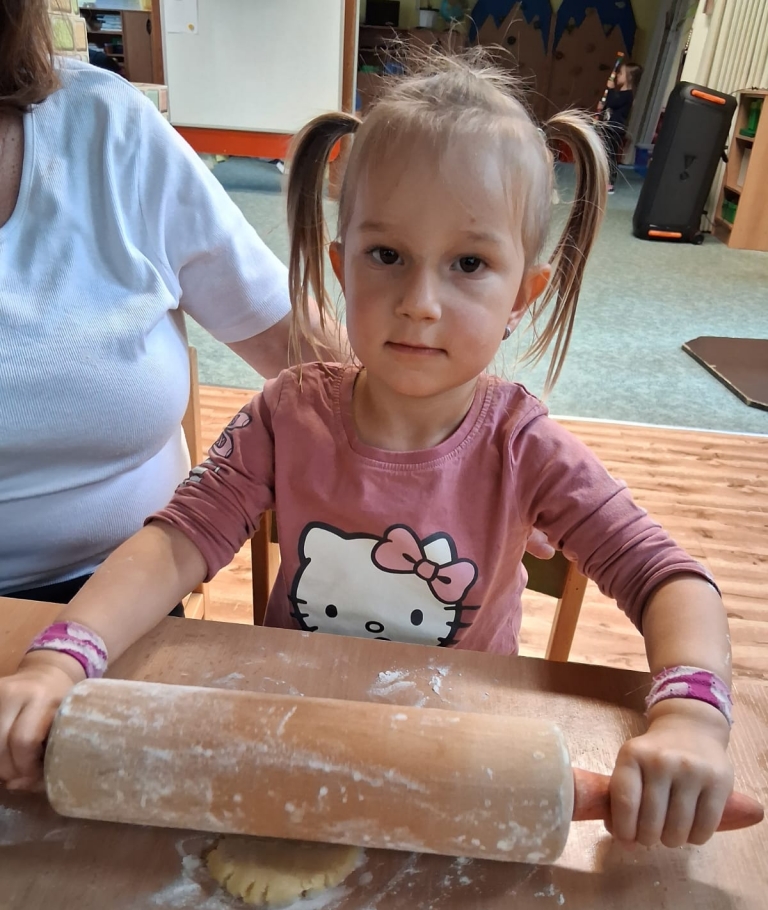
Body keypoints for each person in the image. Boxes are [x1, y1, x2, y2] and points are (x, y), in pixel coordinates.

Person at [0, 53, 734, 855]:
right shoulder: (287, 415)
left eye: (469, 265)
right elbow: (176, 543)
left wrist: (690, 716)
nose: (420, 303)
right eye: (387, 256)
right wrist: (61, 658)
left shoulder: (524, 448)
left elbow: (668, 578)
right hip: (291, 736)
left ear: (523, 295)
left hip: (459, 759)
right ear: (341, 266)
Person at [0, 0, 339, 608]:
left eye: (469, 265)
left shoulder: (105, 125)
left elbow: (301, 347)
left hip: (128, 582)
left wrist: (442, 437)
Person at [599, 62, 642, 193]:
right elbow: (610, 106)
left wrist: (610, 89)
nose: (617, 75)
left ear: (629, 77)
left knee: (611, 155)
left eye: (621, 73)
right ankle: (603, 178)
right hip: (608, 127)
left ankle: (610, 182)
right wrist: (602, 108)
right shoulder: (620, 94)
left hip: (615, 130)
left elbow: (613, 102)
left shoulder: (627, 95)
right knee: (605, 153)